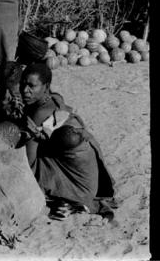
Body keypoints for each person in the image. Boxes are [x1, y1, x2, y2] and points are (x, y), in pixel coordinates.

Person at [19, 62, 115, 219]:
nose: (25, 91)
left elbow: (29, 163)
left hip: (78, 185)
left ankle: (70, 201)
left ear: (46, 86)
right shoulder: (56, 98)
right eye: (22, 84)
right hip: (91, 177)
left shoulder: (39, 114)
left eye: (31, 86)